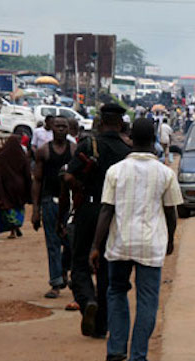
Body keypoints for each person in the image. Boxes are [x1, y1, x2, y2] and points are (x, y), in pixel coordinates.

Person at [89, 118, 181, 361]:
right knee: (147, 300)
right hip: (151, 245)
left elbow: (106, 210)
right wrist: (170, 240)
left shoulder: (116, 171)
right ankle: (138, 358)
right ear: (153, 140)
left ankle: (116, 349)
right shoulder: (165, 173)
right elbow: (171, 213)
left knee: (116, 292)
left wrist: (96, 245)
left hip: (120, 243)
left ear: (128, 136)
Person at [63, 103, 132, 338]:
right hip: (115, 213)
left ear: (100, 122)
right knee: (105, 266)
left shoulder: (89, 145)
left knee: (80, 262)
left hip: (89, 209)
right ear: (121, 123)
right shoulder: (127, 151)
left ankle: (87, 300)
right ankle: (101, 325)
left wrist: (79, 185)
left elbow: (69, 176)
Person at [31, 117, 76, 298]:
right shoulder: (44, 151)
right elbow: (38, 180)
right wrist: (36, 209)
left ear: (68, 129)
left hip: (70, 202)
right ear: (51, 128)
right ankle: (56, 282)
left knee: (71, 241)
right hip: (50, 200)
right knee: (52, 242)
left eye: (63, 126)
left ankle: (67, 273)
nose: (60, 129)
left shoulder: (73, 150)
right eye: (57, 126)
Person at [0, 135, 31, 239]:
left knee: (8, 208)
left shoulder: (1, 157)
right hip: (19, 188)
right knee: (18, 207)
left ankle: (13, 230)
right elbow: (27, 172)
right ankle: (16, 227)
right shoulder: (21, 156)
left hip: (6, 187)